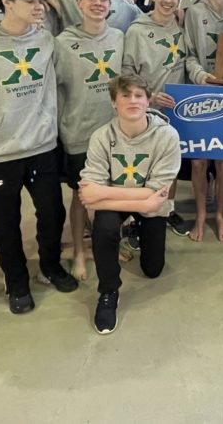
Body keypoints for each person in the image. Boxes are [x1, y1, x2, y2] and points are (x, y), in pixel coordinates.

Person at [0, 0, 78, 314]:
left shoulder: (46, 40)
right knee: (5, 223)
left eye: (40, 1)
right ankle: (16, 281)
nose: (39, 7)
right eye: (30, 1)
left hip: (42, 145)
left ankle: (50, 267)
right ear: (6, 3)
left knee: (52, 213)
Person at [78, 74, 181, 334]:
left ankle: (140, 226)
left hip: (143, 201)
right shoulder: (102, 136)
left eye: (138, 95)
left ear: (148, 100)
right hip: (137, 201)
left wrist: (104, 193)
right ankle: (108, 292)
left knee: (153, 270)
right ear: (114, 102)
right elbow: (88, 192)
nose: (132, 101)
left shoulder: (167, 136)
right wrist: (143, 203)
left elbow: (158, 192)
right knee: (104, 229)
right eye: (125, 95)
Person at [54, 0, 124, 280]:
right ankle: (80, 252)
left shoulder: (119, 37)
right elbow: (53, 89)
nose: (97, 4)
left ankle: (107, 244)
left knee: (113, 192)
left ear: (110, 4)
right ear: (78, 3)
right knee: (82, 195)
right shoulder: (63, 43)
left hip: (115, 130)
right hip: (80, 131)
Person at [122, 0, 190, 237]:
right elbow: (127, 73)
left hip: (175, 110)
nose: (168, 0)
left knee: (170, 165)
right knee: (140, 166)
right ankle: (135, 219)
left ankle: (167, 210)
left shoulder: (181, 26)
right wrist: (149, 97)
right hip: (146, 110)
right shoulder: (137, 30)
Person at [184, 0, 223, 242]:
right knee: (199, 161)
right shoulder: (193, 12)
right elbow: (189, 55)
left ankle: (220, 214)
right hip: (201, 92)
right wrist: (201, 75)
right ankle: (202, 214)